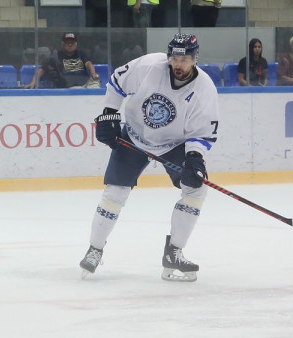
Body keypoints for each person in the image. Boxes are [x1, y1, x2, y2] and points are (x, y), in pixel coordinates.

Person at [80, 33, 218, 282]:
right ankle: (94, 249)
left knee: (195, 189)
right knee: (115, 193)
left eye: (184, 58)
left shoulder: (205, 88)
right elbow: (117, 82)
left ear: (195, 59)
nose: (178, 63)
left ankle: (174, 252)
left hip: (174, 144)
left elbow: (202, 132)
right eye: (175, 57)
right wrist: (110, 113)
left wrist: (195, 157)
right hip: (134, 136)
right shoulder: (149, 66)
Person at [28, 32, 98, 89]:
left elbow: (88, 63)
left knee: (96, 84)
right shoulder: (56, 56)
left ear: (76, 44)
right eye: (67, 42)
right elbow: (41, 70)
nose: (70, 45)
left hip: (85, 84)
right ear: (63, 44)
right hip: (69, 87)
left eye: (72, 43)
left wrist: (93, 73)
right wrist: (33, 82)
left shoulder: (81, 54)